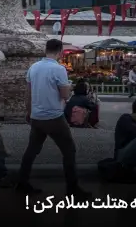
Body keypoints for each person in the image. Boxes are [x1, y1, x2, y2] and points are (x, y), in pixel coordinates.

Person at [16, 39, 89, 198]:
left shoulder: (33, 68)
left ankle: (22, 182)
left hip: (36, 116)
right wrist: (68, 87)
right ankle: (72, 188)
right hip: (54, 117)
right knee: (69, 151)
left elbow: (28, 94)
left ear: (46, 50)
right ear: (60, 51)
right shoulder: (59, 69)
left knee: (31, 150)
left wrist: (29, 112)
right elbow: (64, 95)